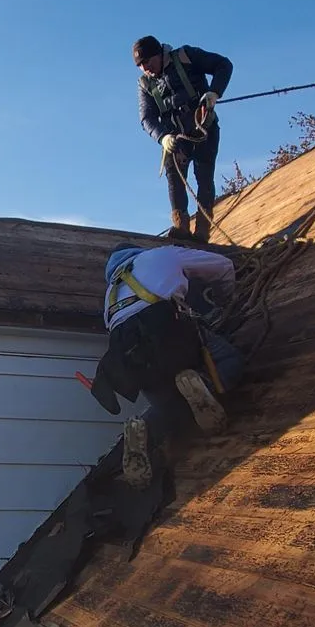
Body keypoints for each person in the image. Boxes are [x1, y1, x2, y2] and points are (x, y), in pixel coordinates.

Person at [89, 242, 244, 489]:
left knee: (168, 405)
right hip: (165, 328)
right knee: (228, 360)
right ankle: (203, 385)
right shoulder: (161, 255)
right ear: (138, 251)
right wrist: (227, 301)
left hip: (127, 353)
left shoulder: (110, 293)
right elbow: (223, 267)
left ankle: (144, 429)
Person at [133, 35, 233, 242]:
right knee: (175, 179)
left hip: (204, 130)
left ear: (159, 53)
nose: (146, 69)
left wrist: (215, 92)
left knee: (204, 178)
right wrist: (162, 137)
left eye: (148, 63)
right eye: (141, 66)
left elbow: (223, 64)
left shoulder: (187, 56)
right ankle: (181, 227)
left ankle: (203, 230)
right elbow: (146, 118)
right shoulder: (145, 84)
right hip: (175, 138)